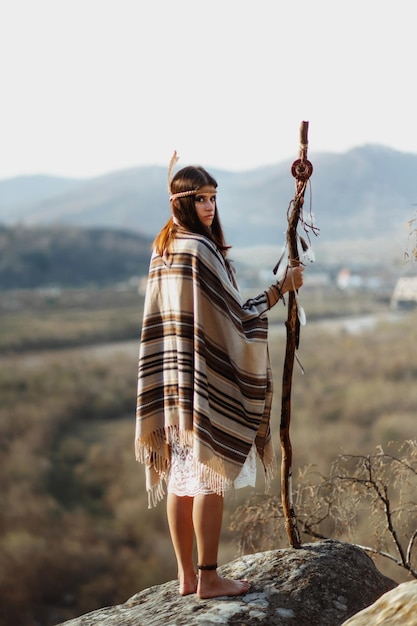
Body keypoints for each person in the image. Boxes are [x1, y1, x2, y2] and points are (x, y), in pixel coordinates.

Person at [135, 153, 304, 599]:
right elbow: (234, 316)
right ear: (182, 202)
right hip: (203, 384)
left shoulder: (163, 248)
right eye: (202, 199)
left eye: (213, 198)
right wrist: (279, 289)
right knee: (209, 476)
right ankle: (208, 577)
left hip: (174, 384)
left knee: (181, 479)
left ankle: (186, 576)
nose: (210, 207)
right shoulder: (199, 248)